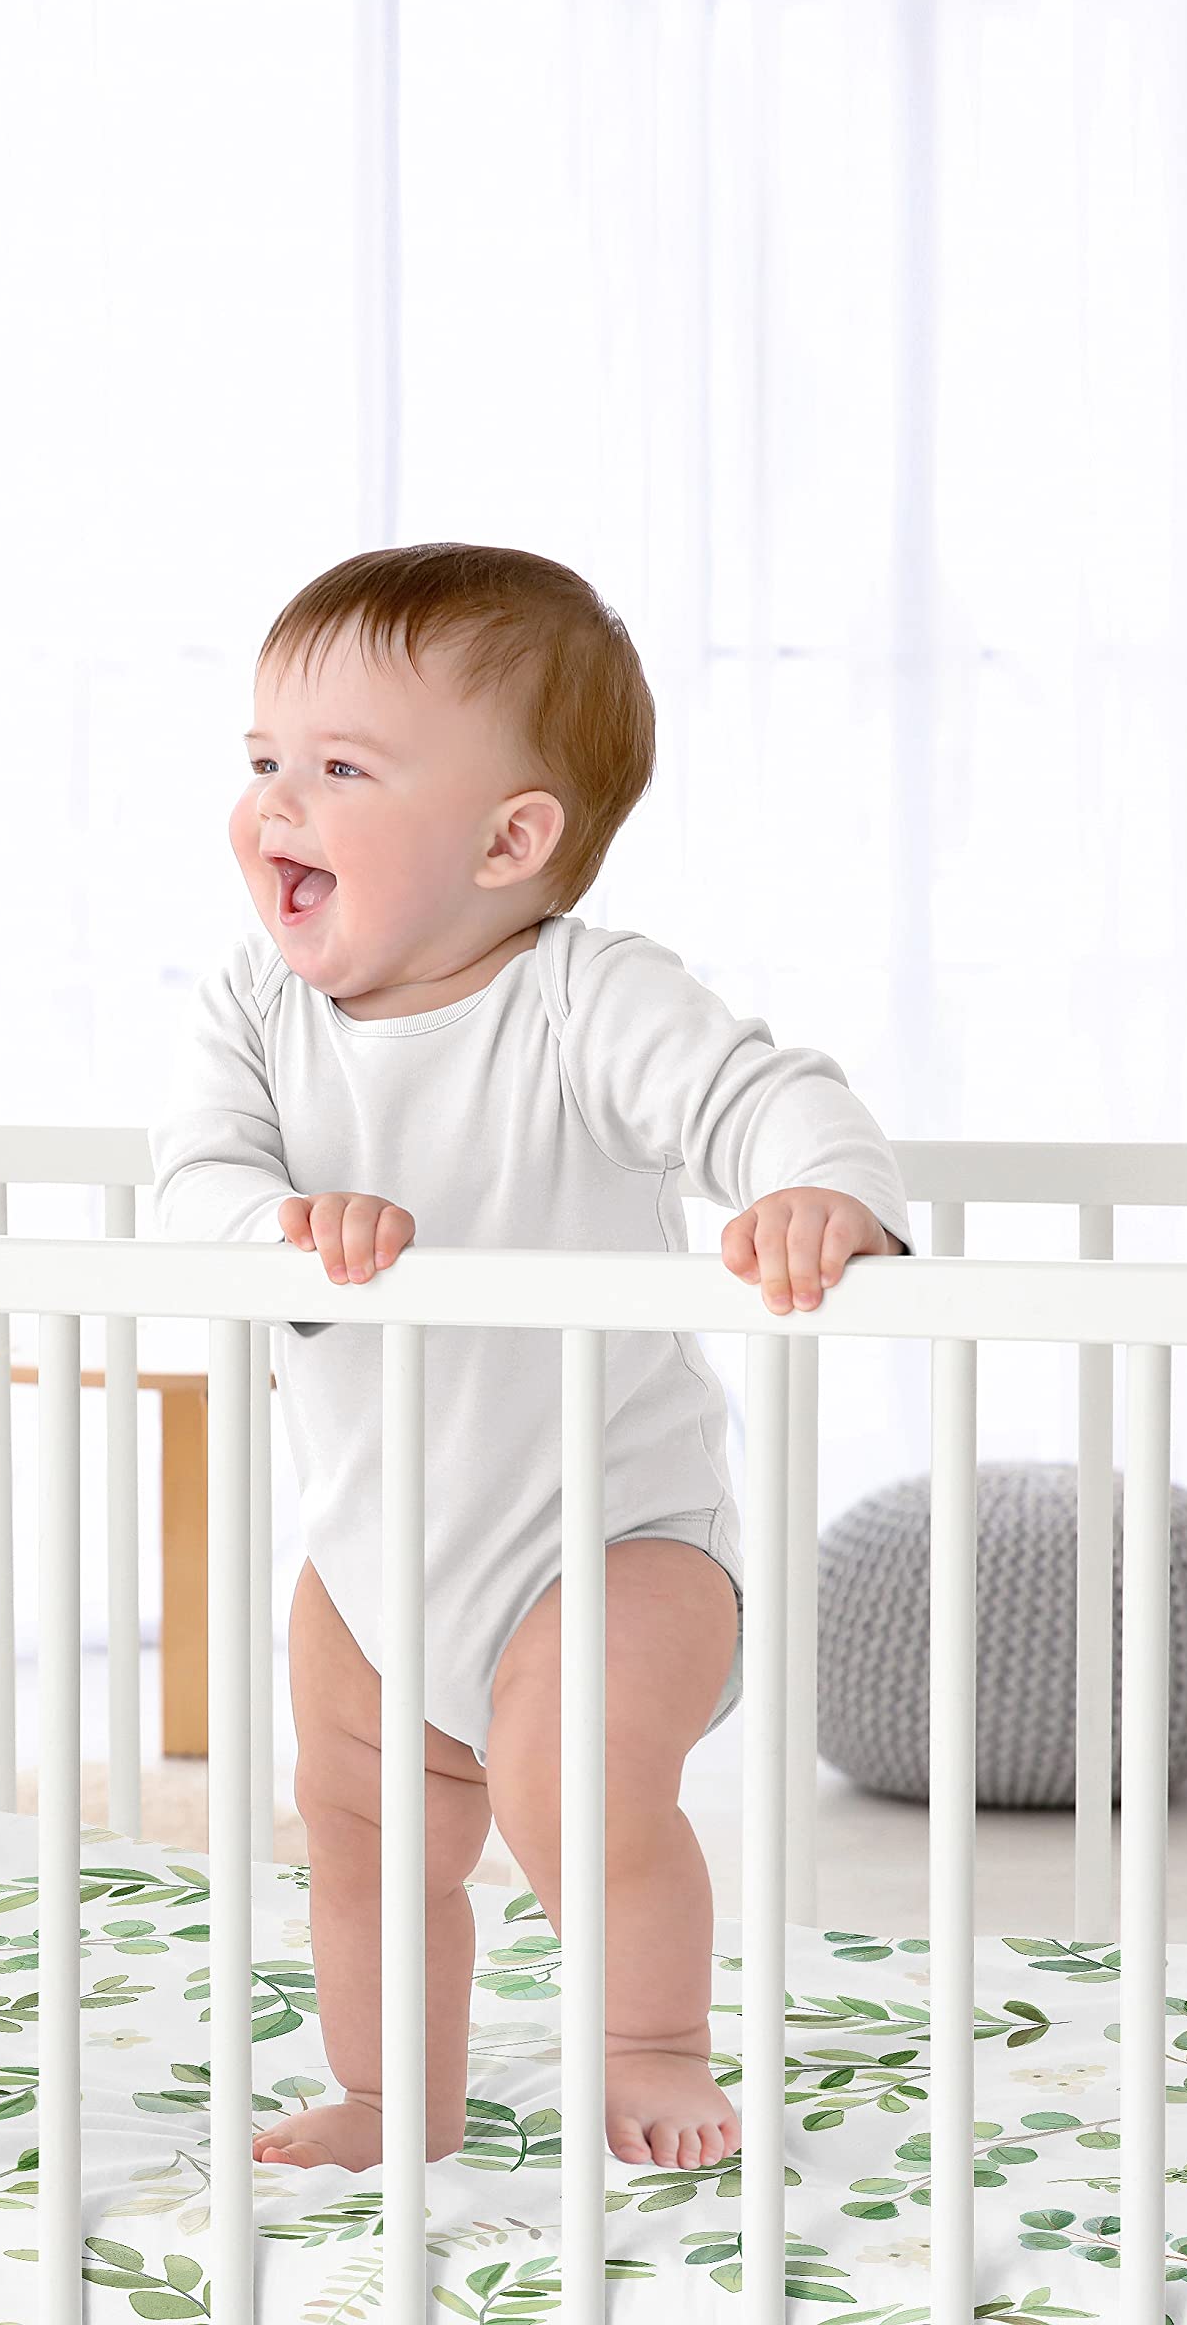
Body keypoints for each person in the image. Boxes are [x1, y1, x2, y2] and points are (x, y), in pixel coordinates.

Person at [149, 542, 911, 2174]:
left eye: (339, 770)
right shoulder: (252, 1014)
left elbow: (766, 1095)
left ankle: (647, 2043)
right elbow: (192, 1185)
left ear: (511, 841)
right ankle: (389, 2094)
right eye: (264, 760)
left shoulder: (585, 1002)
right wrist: (276, 1227)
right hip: (373, 1551)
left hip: (613, 1543)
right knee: (358, 1832)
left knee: (571, 1780)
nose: (277, 805)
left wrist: (816, 1191)